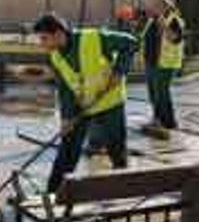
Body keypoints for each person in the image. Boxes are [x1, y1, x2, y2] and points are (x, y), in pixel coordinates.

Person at [34, 13, 138, 193]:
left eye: (44, 38)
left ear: (59, 34)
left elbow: (131, 43)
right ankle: (55, 192)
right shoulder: (55, 57)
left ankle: (123, 190)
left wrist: (119, 71)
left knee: (117, 150)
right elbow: (65, 89)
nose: (42, 44)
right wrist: (66, 118)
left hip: (109, 102)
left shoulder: (94, 38)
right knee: (67, 150)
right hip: (82, 107)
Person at [141, 0, 185, 130]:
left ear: (165, 6)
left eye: (156, 5)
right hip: (151, 62)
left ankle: (167, 122)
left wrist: (164, 25)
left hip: (165, 63)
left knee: (161, 94)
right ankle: (161, 120)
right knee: (154, 94)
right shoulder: (151, 21)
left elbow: (175, 38)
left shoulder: (174, 20)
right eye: (153, 5)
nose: (153, 8)